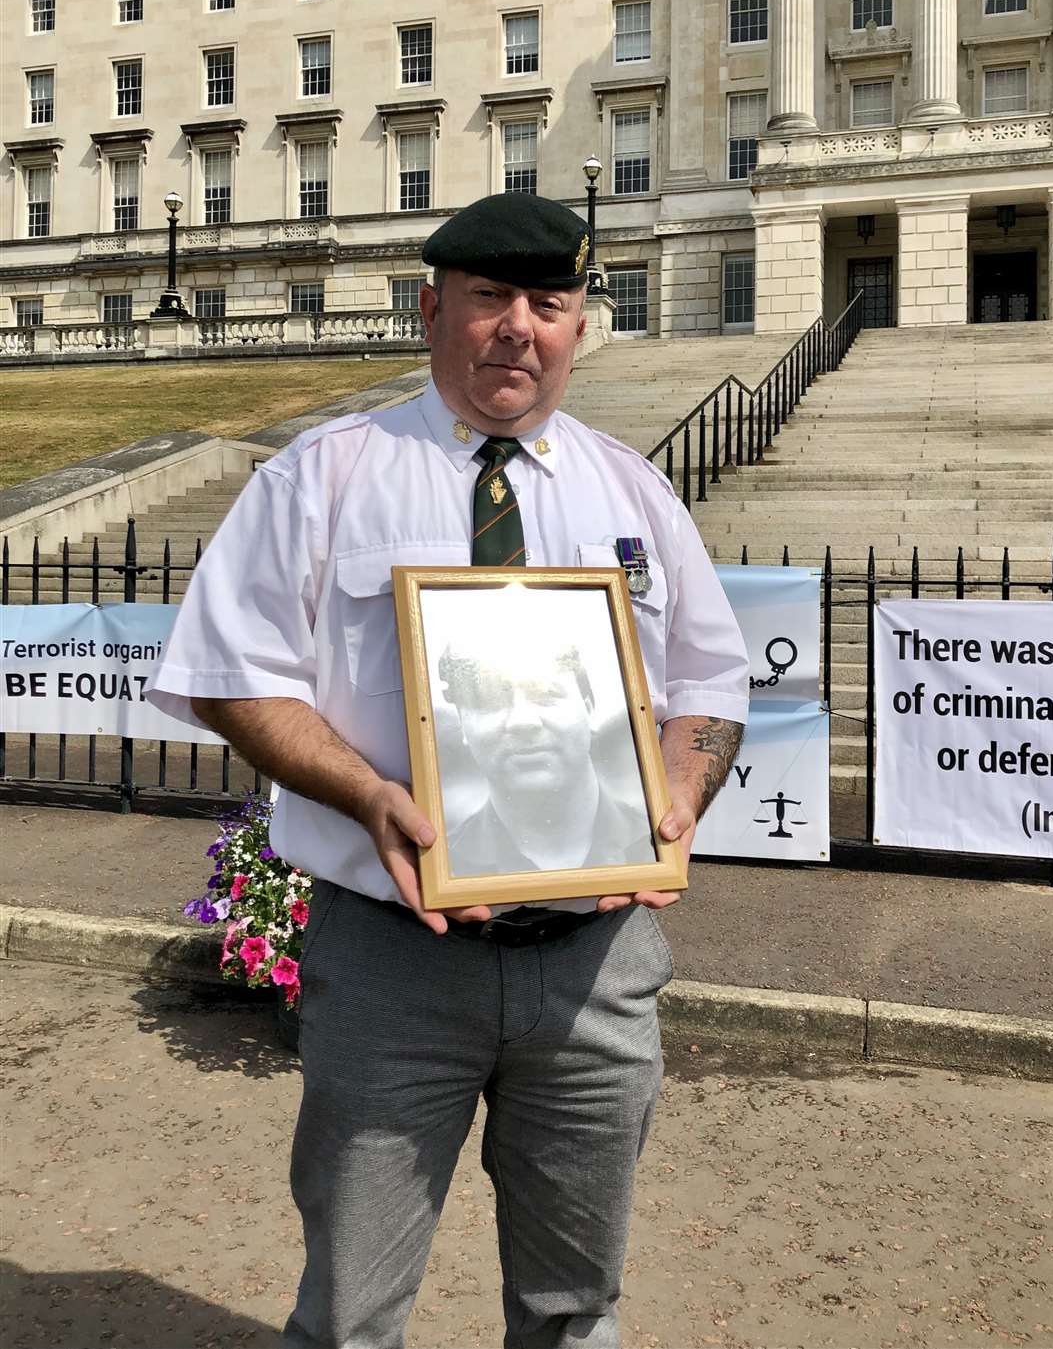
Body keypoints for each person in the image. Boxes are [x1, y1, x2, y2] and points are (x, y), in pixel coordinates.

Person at [146, 191, 749, 1349]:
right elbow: (231, 671)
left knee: (579, 1307)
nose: (520, 325)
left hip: (594, 967)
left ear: (579, 324)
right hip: (392, 963)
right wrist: (362, 792)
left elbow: (710, 687)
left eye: (550, 301)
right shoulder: (326, 476)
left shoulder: (634, 491)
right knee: (350, 1311)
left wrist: (679, 794)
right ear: (433, 311)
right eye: (490, 298)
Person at [435, 608, 655, 876]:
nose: (522, 721)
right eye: (490, 701)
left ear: (589, 708)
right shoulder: (442, 865)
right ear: (462, 725)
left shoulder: (651, 845)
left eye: (546, 694)